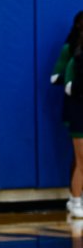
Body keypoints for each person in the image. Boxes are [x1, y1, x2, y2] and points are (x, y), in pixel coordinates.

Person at [53, 12, 83, 213]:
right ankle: (75, 199)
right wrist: (71, 82)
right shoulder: (74, 56)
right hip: (77, 107)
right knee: (80, 158)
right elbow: (57, 78)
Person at [62, 23, 83, 218]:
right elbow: (68, 88)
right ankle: (75, 200)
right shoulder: (75, 62)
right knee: (81, 160)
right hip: (80, 115)